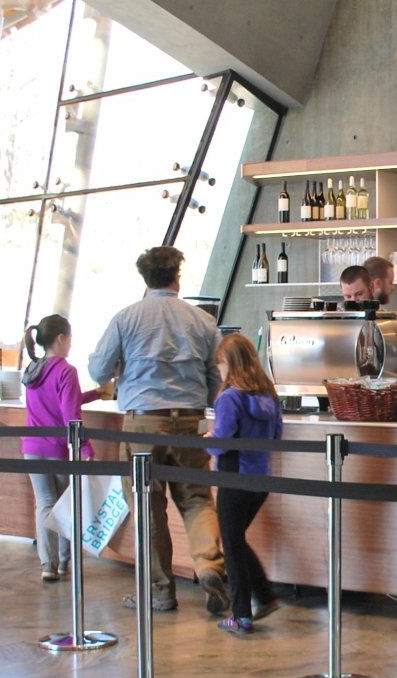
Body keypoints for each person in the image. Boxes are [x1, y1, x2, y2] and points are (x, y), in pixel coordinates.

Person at [89, 246, 229, 614]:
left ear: (145, 278)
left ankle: (160, 591)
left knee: (148, 508)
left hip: (142, 423)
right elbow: (218, 378)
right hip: (189, 421)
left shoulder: (126, 318)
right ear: (177, 277)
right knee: (197, 498)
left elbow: (98, 371)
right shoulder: (202, 321)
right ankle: (209, 566)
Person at [206, 333, 284, 634]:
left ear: (230, 363)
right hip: (260, 479)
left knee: (231, 543)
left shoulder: (229, 398)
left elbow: (222, 443)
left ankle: (241, 615)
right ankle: (265, 595)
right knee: (236, 539)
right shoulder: (268, 396)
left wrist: (208, 442)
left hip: (232, 477)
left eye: (220, 364)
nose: (219, 370)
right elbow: (277, 436)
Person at [20, 314, 101, 584]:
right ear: (61, 338)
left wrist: (97, 394)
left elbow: (63, 400)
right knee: (65, 504)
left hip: (31, 446)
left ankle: (48, 564)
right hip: (57, 447)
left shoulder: (34, 370)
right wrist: (86, 448)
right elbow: (70, 413)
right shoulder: (66, 370)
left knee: (44, 503)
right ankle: (65, 561)